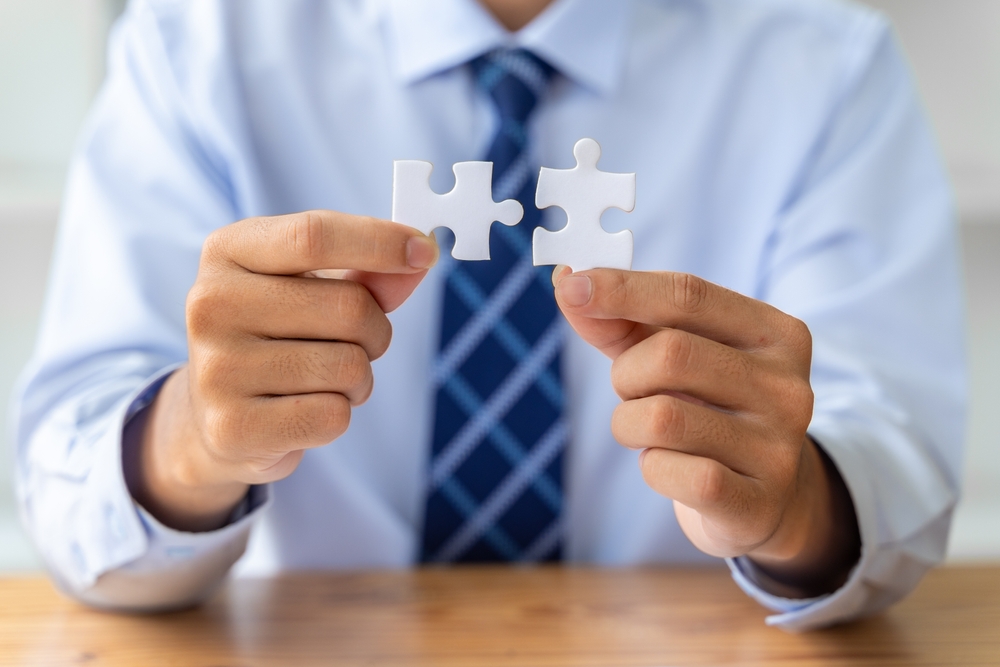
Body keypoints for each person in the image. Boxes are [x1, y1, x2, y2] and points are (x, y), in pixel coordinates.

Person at [13, 0, 965, 631]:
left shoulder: (828, 66)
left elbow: (894, 457)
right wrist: (188, 439)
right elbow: (68, 495)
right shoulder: (188, 50)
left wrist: (798, 503)